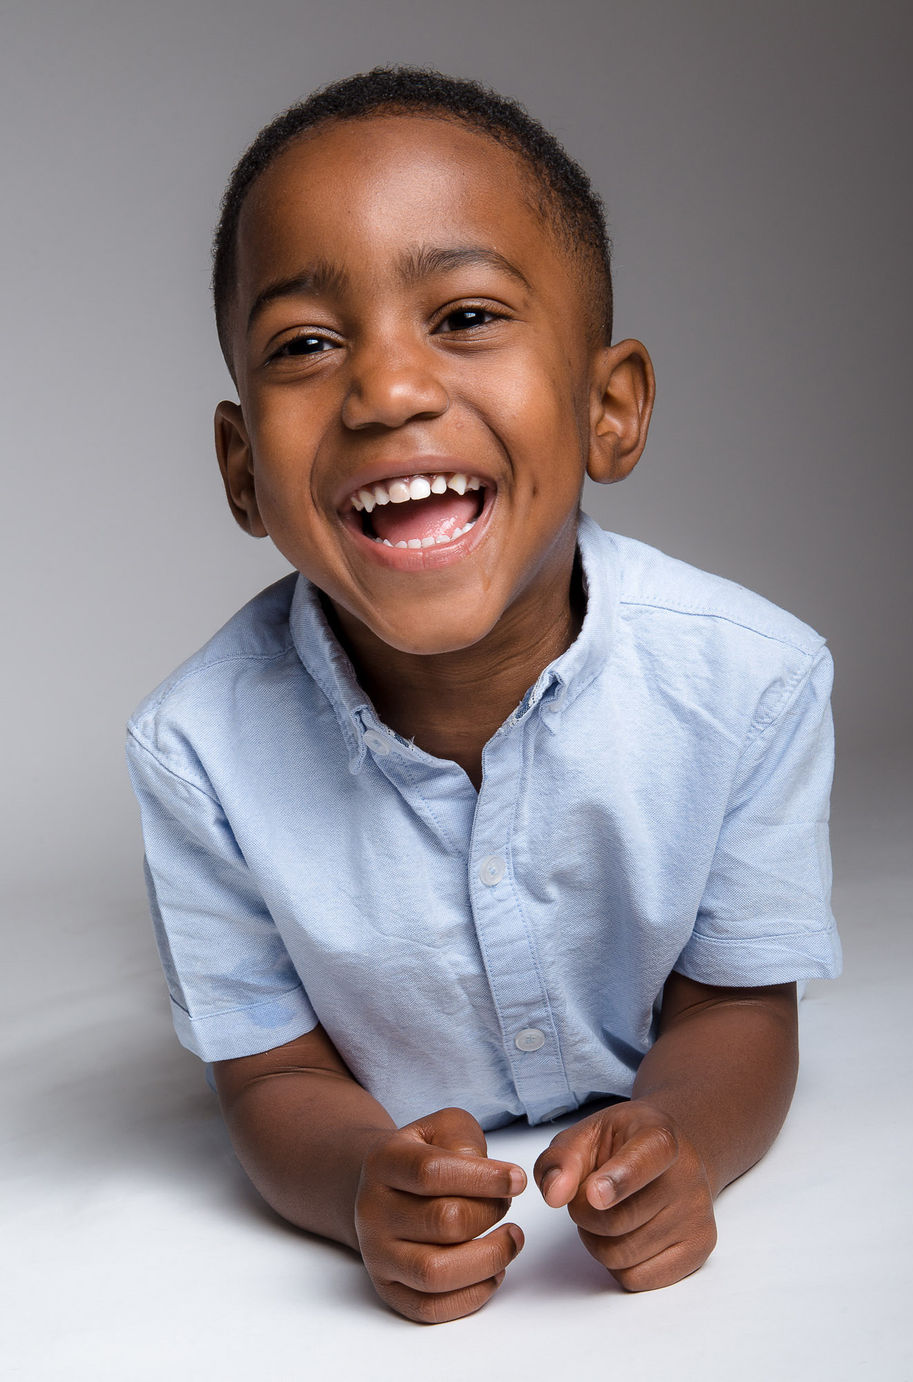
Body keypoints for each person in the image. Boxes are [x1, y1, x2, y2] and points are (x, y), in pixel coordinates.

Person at [126, 67, 840, 1325]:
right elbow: (272, 1073)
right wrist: (359, 1180)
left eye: (462, 316)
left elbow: (736, 1005)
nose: (387, 391)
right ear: (242, 471)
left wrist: (681, 1135)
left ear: (607, 409)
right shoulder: (196, 751)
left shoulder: (751, 682)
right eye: (306, 343)